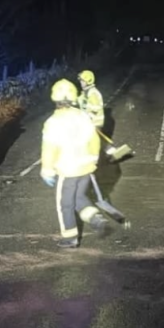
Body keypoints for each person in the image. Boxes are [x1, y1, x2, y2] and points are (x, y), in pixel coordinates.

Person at [41, 79, 109, 248]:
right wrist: (93, 159)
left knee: (65, 204)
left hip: (67, 169)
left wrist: (47, 170)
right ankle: (94, 217)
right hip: (86, 167)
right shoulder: (83, 116)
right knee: (79, 197)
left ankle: (70, 237)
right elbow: (94, 139)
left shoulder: (52, 122)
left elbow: (50, 148)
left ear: (54, 98)